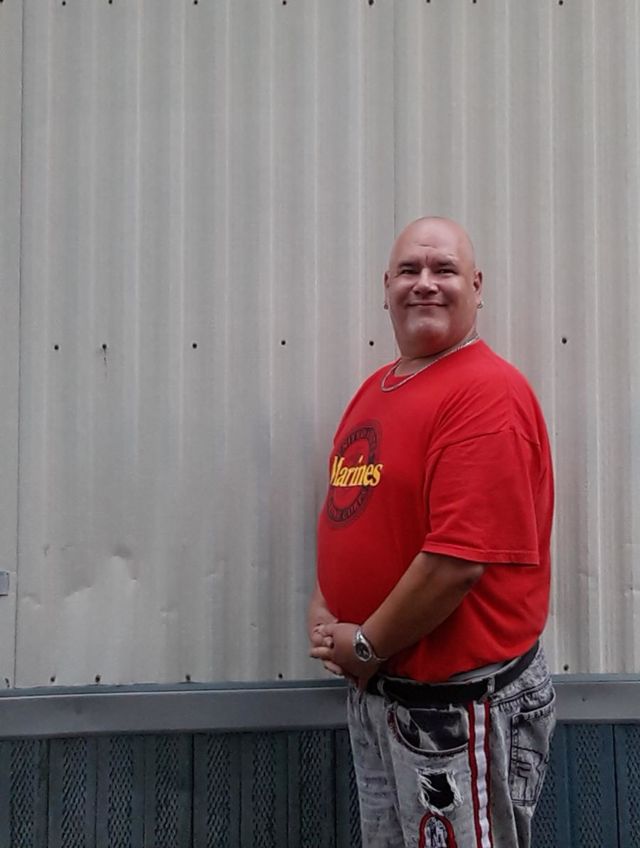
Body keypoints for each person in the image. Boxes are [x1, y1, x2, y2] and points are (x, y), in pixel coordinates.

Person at [308, 217, 555, 848]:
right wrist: (326, 602)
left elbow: (455, 563)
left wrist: (365, 645)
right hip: (384, 693)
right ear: (385, 286)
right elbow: (353, 504)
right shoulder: (376, 389)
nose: (425, 283)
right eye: (409, 271)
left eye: (444, 270)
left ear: (476, 286)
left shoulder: (485, 393)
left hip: (455, 711)